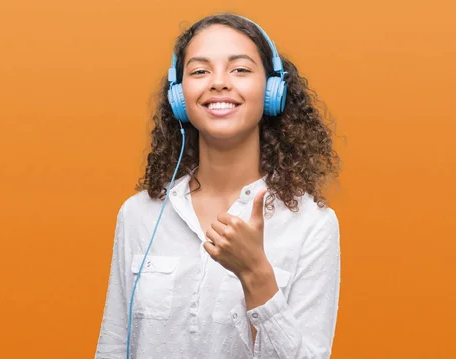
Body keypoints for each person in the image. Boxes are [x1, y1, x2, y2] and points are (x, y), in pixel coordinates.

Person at [95, 12, 342, 359]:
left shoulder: (312, 225)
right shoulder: (139, 215)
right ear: (180, 97)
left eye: (240, 69)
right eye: (199, 71)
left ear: (273, 91)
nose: (219, 82)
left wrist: (256, 273)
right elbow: (112, 347)